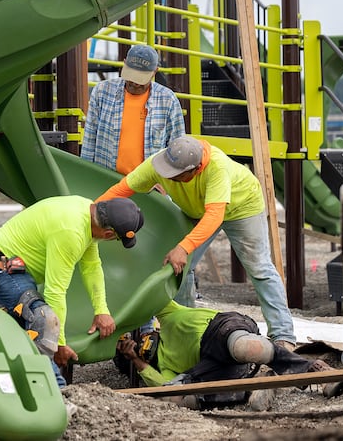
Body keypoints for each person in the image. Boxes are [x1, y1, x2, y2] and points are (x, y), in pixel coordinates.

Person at [97, 135, 297, 350]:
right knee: (179, 268)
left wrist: (183, 247)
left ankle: (283, 335)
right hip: (198, 210)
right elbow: (121, 190)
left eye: (176, 175)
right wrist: (92, 213)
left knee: (260, 268)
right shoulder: (160, 164)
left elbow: (214, 216)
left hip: (242, 207)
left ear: (196, 169)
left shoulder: (216, 168)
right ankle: (189, 330)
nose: (169, 178)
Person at [0, 195, 144, 383]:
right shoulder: (71, 232)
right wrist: (59, 344)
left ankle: (15, 383)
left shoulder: (86, 211)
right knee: (43, 320)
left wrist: (101, 310)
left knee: (22, 332)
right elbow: (55, 292)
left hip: (16, 269)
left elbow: (92, 266)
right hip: (0, 266)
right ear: (108, 234)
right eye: (116, 239)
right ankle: (58, 391)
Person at [115, 300, 333, 408]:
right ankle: (256, 386)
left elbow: (149, 295)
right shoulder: (164, 367)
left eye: (137, 341)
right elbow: (163, 391)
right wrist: (135, 360)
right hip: (212, 368)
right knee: (177, 395)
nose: (141, 344)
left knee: (246, 348)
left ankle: (312, 369)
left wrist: (140, 325)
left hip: (220, 331)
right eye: (136, 347)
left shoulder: (167, 313)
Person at [80, 43, 185, 175]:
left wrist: (168, 183)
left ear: (155, 72)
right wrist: (84, 176)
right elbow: (89, 140)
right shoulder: (102, 92)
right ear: (124, 64)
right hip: (107, 180)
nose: (135, 83)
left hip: (150, 184)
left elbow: (176, 148)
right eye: (131, 76)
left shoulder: (168, 100)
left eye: (141, 78)